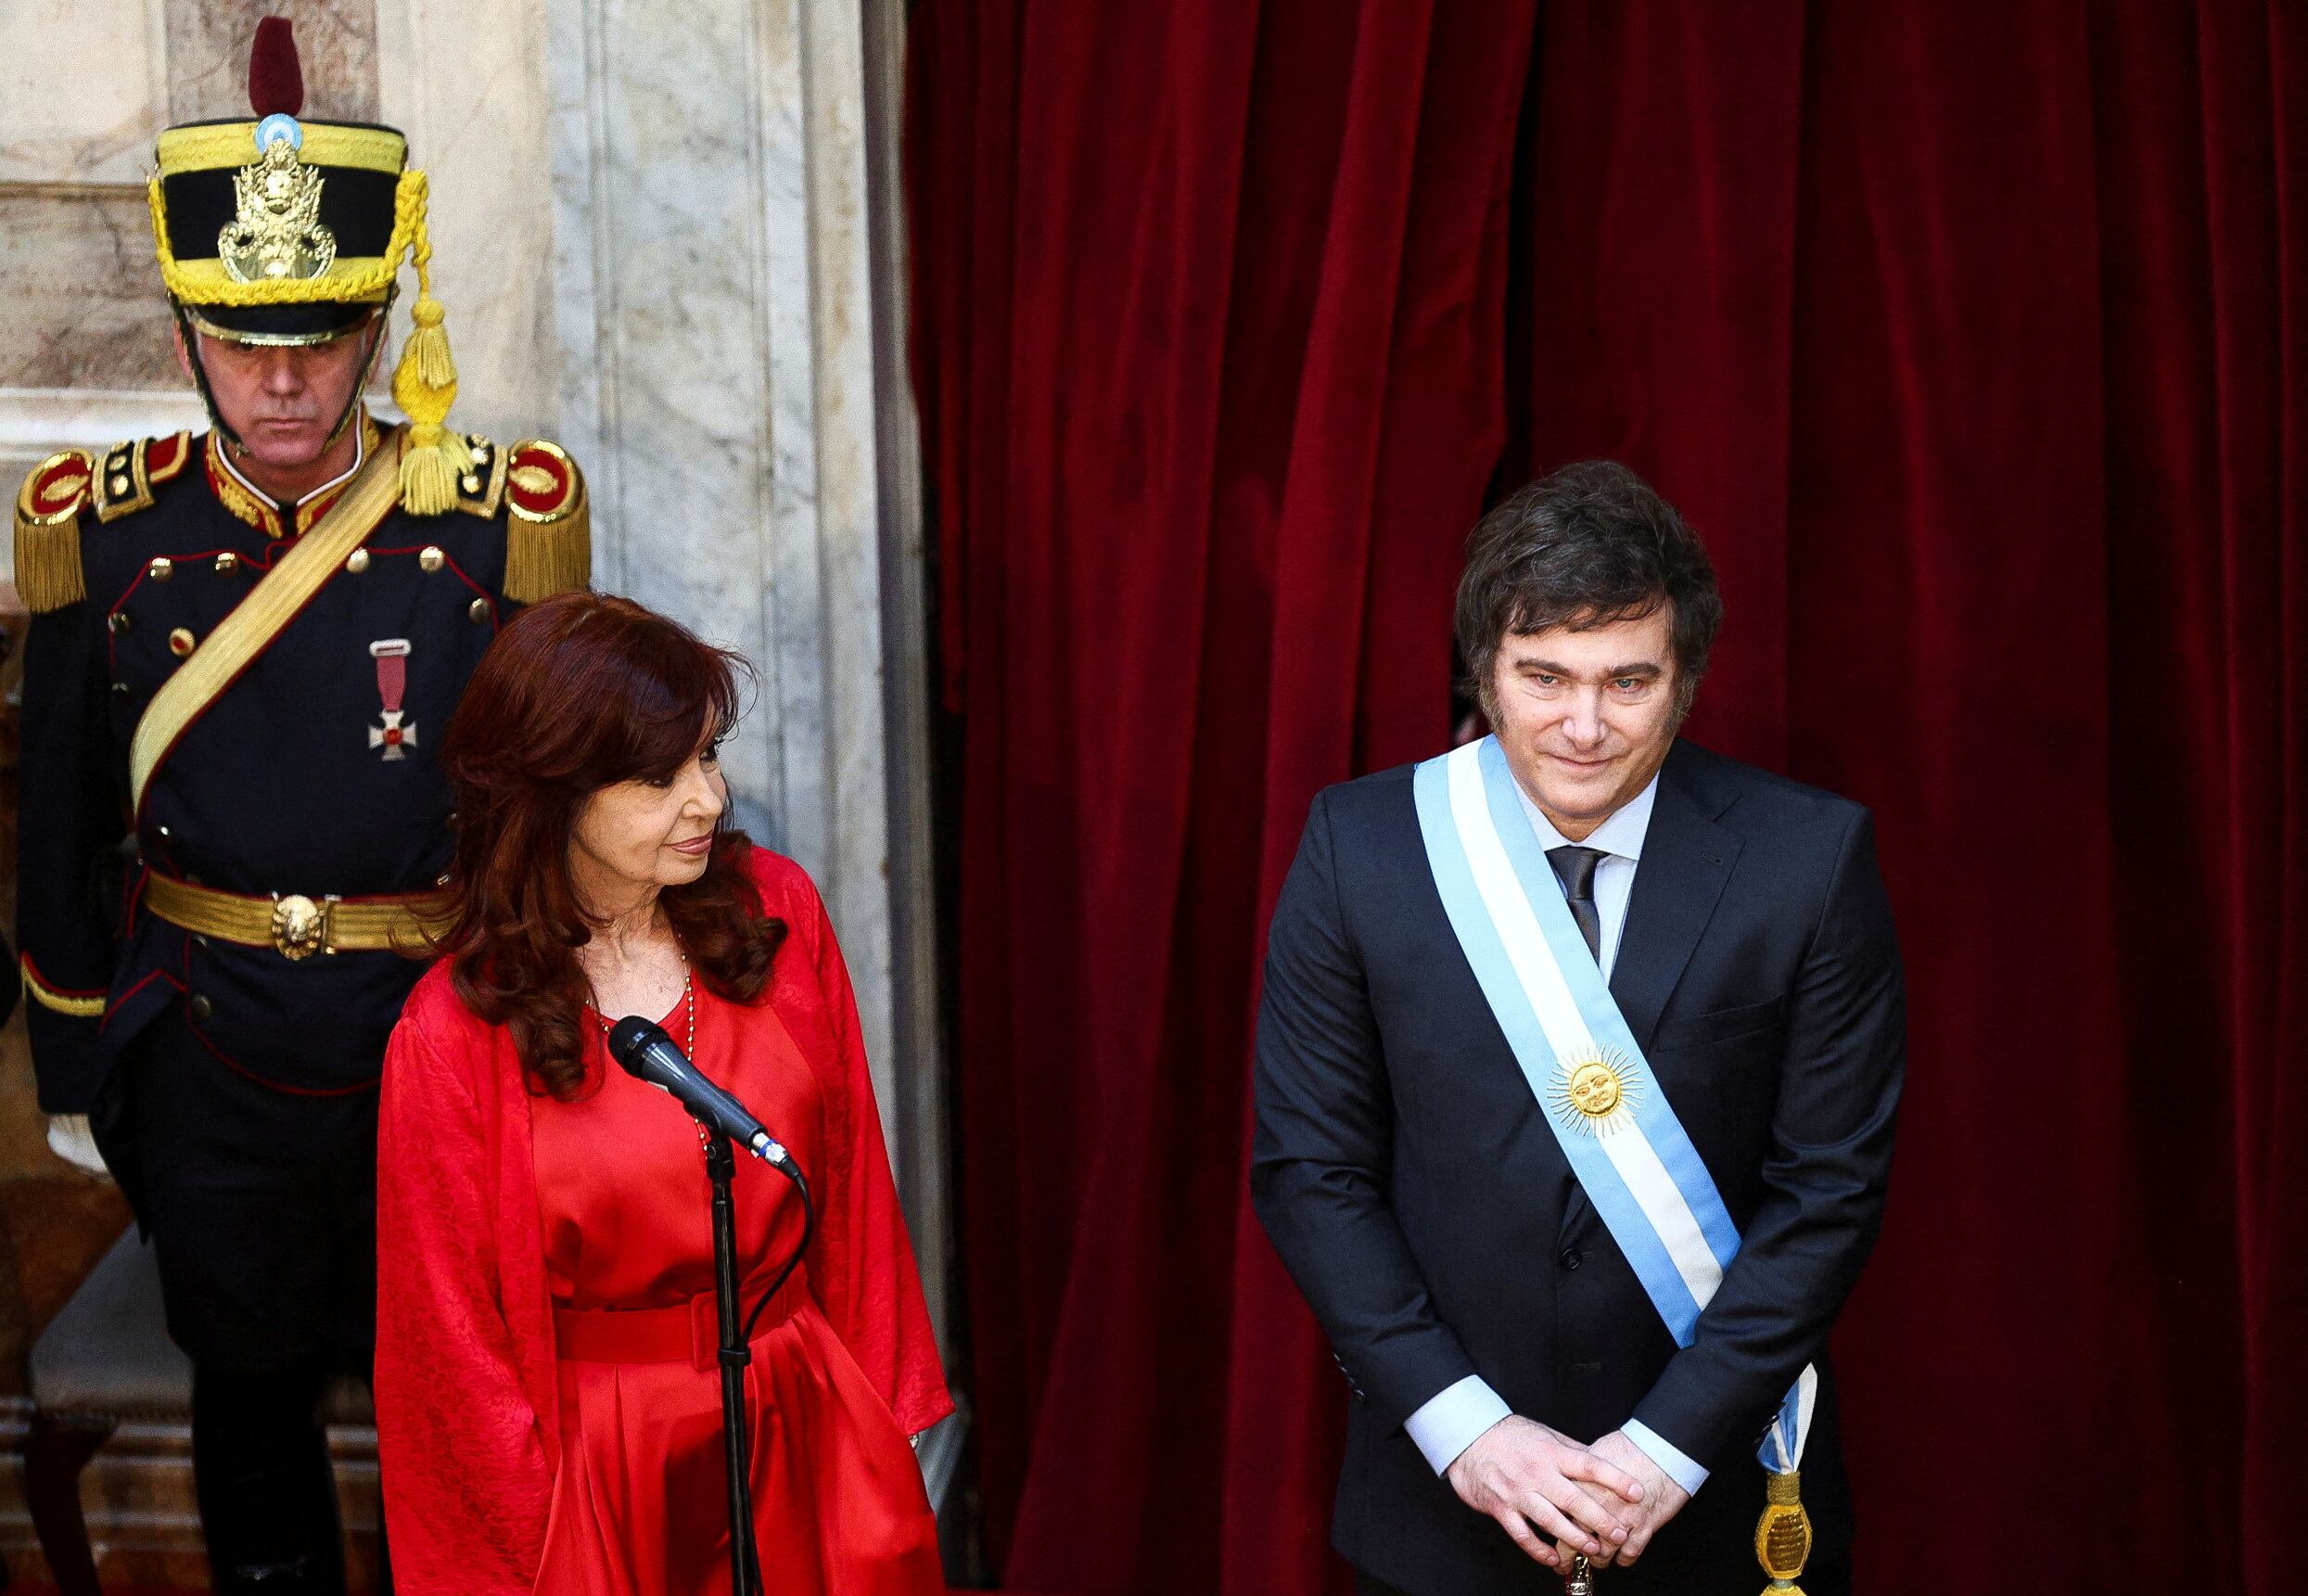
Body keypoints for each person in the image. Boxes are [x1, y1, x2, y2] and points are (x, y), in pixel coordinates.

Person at [10, 19, 589, 1590]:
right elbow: (58, 821)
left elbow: (548, 822)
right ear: (186, 322)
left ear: (385, 313)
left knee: (451, 1408)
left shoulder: (484, 526)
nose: (282, 377)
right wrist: (79, 1049)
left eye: (326, 336)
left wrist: (546, 1041)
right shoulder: (107, 536)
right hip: (209, 1049)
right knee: (250, 1404)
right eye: (244, 335)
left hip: (437, 1041)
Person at [1250, 461, 1904, 1595]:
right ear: (1485, 673)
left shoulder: (1807, 859)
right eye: (1543, 676)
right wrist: (1469, 1432)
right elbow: (1312, 1170)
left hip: (1723, 1498)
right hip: (1444, 1510)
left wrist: (1663, 1453)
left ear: (1685, 679)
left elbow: (1827, 1190)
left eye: (1627, 682)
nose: (1583, 726)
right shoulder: (1361, 848)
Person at [374, 593, 950, 1596]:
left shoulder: (778, 912)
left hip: (798, 1410)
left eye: (708, 755)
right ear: (550, 792)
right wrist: (529, 1546)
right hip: (599, 1463)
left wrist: (879, 1428)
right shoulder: (450, 1033)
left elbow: (852, 1190)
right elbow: (450, 1356)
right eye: (659, 777)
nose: (708, 799)